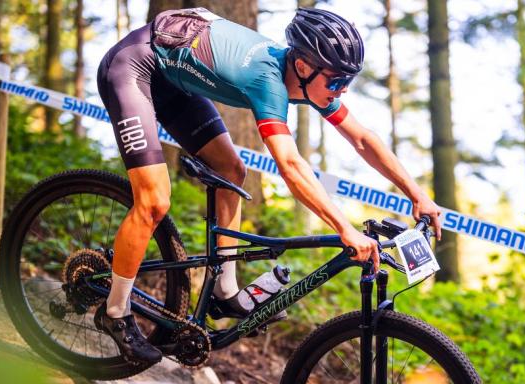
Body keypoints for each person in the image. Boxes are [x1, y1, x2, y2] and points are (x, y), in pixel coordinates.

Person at [95, 7, 443, 364]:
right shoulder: (268, 82)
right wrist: (345, 229)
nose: (342, 90)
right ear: (304, 67)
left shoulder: (308, 80)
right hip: (133, 69)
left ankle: (224, 289)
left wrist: (416, 194)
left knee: (232, 172)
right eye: (337, 81)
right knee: (154, 202)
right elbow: (290, 166)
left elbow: (363, 140)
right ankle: (115, 311)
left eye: (347, 81)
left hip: (174, 82)